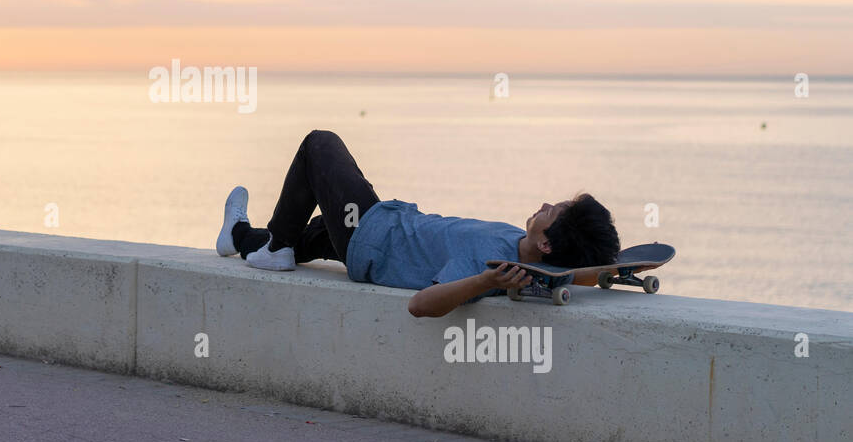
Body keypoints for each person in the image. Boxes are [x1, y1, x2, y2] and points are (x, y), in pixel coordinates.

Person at [216, 130, 621, 318]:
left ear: (547, 244)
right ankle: (238, 236)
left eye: (554, 210)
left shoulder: (489, 266)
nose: (546, 203)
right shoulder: (535, 258)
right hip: (384, 226)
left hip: (368, 235)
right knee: (295, 236)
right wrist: (611, 268)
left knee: (319, 145)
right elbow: (569, 271)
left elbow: (420, 306)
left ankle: (275, 249)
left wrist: (484, 283)